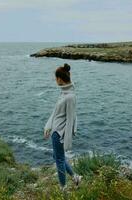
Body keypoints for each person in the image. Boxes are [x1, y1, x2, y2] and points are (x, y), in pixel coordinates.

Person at [43, 63, 82, 192]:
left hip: (59, 134)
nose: (55, 80)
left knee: (59, 159)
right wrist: (48, 127)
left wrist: (66, 139)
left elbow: (71, 119)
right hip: (55, 130)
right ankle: (75, 177)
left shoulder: (70, 96)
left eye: (55, 78)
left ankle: (63, 189)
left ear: (60, 78)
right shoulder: (63, 93)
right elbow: (55, 112)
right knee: (57, 157)